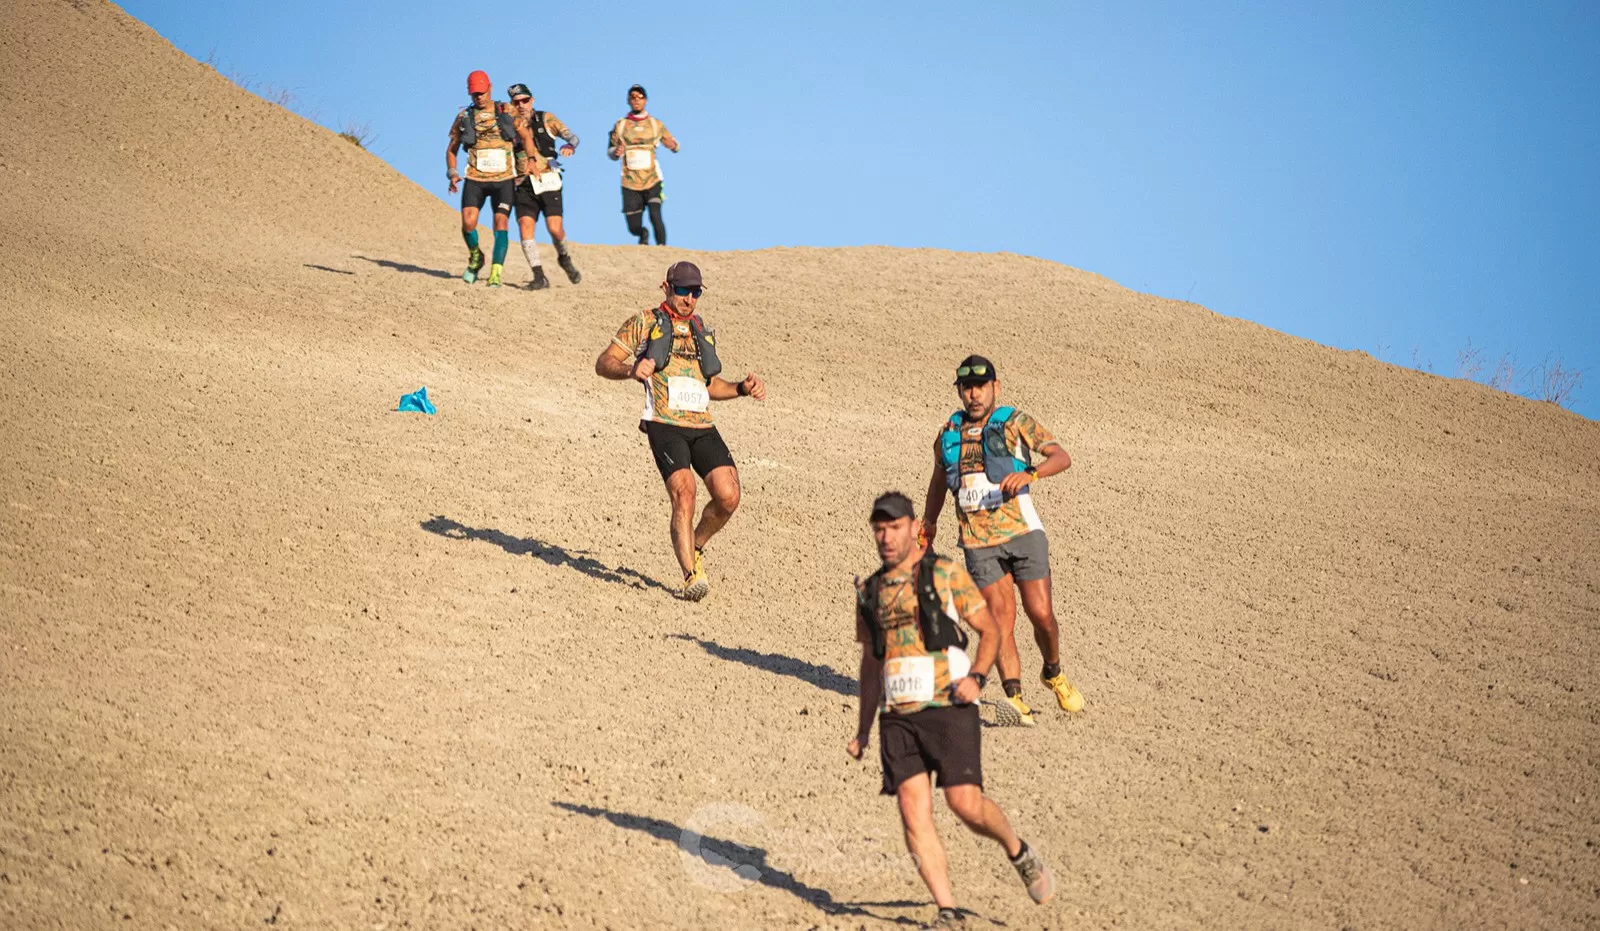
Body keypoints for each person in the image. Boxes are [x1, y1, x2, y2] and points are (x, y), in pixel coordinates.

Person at [848, 491, 1056, 929]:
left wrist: (978, 677)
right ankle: (947, 909)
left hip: (949, 704)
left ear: (912, 530)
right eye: (879, 529)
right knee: (911, 808)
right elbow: (870, 665)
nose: (886, 537)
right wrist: (864, 729)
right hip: (898, 715)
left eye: (894, 527)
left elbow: (990, 628)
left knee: (965, 804)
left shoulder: (944, 575)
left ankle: (1018, 850)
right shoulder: (869, 592)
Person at [922, 355, 1085, 728]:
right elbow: (937, 481)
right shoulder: (948, 434)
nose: (974, 394)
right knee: (1000, 620)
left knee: (1041, 614)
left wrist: (1032, 473)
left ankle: (1053, 672)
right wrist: (928, 523)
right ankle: (1015, 699)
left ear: (996, 387)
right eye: (967, 388)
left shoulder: (1014, 422)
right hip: (979, 543)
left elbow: (1061, 457)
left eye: (982, 386)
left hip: (1023, 532)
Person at [593, 261, 765, 601]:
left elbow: (709, 384)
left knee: (729, 496)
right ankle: (690, 576)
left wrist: (741, 388)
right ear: (666, 287)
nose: (689, 298)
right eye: (683, 290)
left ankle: (696, 543)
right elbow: (604, 363)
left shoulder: (700, 328)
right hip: (664, 423)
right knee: (684, 493)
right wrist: (631, 371)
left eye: (695, 292)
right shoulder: (644, 322)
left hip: (701, 423)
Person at [447, 70, 537, 287]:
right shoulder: (463, 117)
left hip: (503, 179)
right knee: (468, 223)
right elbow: (452, 149)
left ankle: (496, 272)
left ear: (490, 88)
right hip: (475, 179)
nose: (478, 97)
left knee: (501, 223)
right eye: (474, 93)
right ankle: (477, 257)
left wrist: (531, 159)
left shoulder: (507, 111)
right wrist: (452, 172)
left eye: (481, 92)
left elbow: (526, 136)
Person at [506, 83, 581, 290]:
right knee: (525, 227)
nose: (521, 105)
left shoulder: (546, 118)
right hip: (523, 183)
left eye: (525, 100)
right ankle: (539, 276)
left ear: (532, 100)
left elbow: (573, 137)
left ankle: (564, 257)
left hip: (548, 180)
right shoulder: (509, 126)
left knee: (555, 229)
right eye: (516, 102)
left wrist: (569, 145)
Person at [607, 84, 678, 246]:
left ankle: (662, 249)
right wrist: (616, 152)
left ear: (645, 100)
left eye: (640, 97)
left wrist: (672, 145)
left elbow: (674, 145)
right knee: (633, 225)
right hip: (630, 181)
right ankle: (642, 233)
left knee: (655, 214)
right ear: (628, 100)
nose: (636, 101)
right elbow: (610, 151)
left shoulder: (655, 124)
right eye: (633, 97)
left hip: (652, 179)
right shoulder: (621, 125)